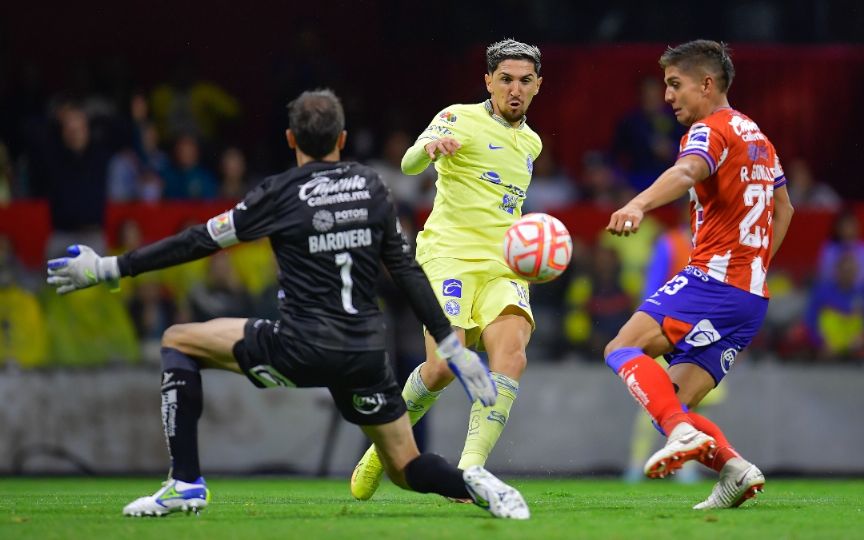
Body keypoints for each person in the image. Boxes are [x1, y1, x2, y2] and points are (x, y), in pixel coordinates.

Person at [46, 89, 529, 520]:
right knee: (406, 467)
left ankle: (185, 484)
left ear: (290, 139)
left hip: (298, 345)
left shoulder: (278, 195)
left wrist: (111, 268)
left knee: (178, 341)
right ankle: (479, 485)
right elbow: (405, 272)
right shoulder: (373, 189)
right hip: (364, 355)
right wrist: (453, 344)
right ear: (342, 138)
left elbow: (199, 242)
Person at [603, 40, 794, 509]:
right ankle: (735, 470)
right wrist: (756, 266)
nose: (668, 96)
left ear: (706, 84)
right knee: (668, 404)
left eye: (675, 84)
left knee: (622, 346)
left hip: (712, 279)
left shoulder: (709, 131)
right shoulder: (758, 137)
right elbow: (784, 206)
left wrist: (637, 203)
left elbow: (688, 172)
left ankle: (687, 437)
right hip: (750, 297)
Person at [350, 39, 544, 501]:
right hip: (448, 256)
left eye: (524, 81)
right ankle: (381, 451)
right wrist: (432, 148)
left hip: (503, 266)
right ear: (488, 82)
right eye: (505, 80)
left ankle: (471, 471)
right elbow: (408, 161)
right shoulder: (457, 116)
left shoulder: (532, 142)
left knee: (511, 357)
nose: (514, 89)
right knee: (439, 369)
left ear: (538, 85)